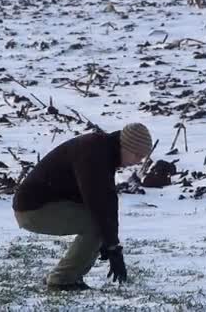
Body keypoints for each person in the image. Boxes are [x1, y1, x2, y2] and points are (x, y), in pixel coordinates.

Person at [13, 122, 153, 291]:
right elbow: (100, 203)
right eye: (137, 155)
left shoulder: (102, 150)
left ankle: (69, 277)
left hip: (45, 204)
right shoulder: (95, 154)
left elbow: (105, 201)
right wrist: (113, 247)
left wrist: (109, 243)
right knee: (95, 224)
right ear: (126, 147)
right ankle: (62, 280)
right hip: (32, 210)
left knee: (99, 224)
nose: (138, 162)